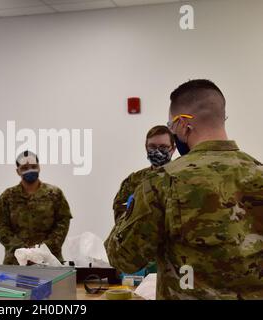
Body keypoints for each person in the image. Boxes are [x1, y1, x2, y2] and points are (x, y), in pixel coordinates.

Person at [105, 79, 263, 299]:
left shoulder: (163, 181)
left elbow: (123, 258)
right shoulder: (259, 173)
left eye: (171, 126)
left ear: (182, 124)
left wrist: (128, 215)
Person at [0, 150, 72, 265]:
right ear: (18, 171)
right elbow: (0, 225)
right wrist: (22, 249)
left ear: (39, 167)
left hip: (49, 260)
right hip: (17, 261)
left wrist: (42, 250)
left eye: (33, 166)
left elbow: (62, 223)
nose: (30, 170)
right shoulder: (8, 196)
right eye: (25, 168)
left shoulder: (55, 194)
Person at [112, 125, 175, 222]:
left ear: (173, 149)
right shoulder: (133, 180)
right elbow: (119, 213)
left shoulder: (180, 177)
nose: (157, 151)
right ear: (146, 148)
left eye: (163, 147)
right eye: (152, 146)